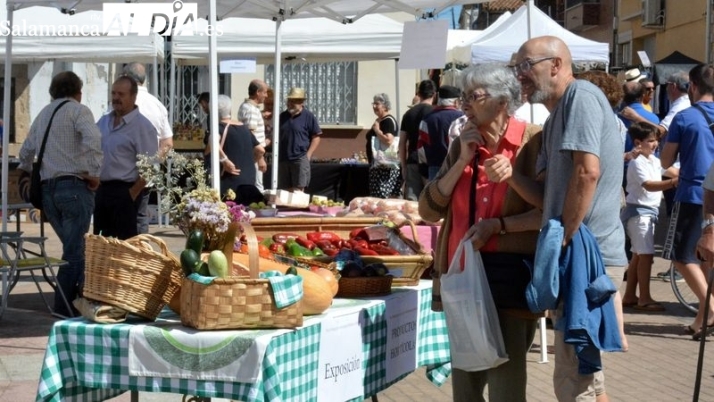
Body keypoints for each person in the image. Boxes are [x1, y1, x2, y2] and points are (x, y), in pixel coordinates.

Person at [419, 63, 543, 402]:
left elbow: (548, 212)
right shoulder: (463, 143)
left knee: (506, 386)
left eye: (474, 97)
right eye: (464, 98)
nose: (465, 106)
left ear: (502, 102)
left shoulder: (533, 142)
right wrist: (461, 160)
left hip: (509, 278)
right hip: (462, 278)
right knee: (466, 387)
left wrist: (500, 220)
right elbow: (428, 210)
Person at [514, 36, 627, 401]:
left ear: (557, 65)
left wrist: (564, 236)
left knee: (572, 376)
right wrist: (509, 177)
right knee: (586, 374)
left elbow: (587, 173)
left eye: (526, 66)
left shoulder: (581, 97)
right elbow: (546, 198)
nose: (520, 75)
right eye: (517, 67)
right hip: (577, 255)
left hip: (587, 257)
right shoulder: (552, 121)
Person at [18, 71, 103, 317]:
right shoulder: (79, 110)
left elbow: (25, 152)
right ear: (78, 91)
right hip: (73, 188)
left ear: (53, 91)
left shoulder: (43, 114)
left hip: (47, 193)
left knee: (73, 248)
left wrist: (25, 172)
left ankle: (79, 300)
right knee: (74, 252)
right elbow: (93, 139)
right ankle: (64, 307)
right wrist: (94, 173)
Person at [660, 63, 714, 339]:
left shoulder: (685, 117)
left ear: (692, 87)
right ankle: (701, 320)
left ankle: (710, 307)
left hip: (693, 193)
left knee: (681, 256)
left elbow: (666, 160)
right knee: (708, 258)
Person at [620, 122, 677, 312]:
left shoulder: (653, 160)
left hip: (649, 213)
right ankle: (644, 297)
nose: (655, 144)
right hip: (639, 214)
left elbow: (669, 170)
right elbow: (649, 185)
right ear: (638, 142)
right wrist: (673, 183)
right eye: (651, 141)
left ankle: (629, 295)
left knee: (638, 255)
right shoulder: (636, 163)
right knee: (646, 256)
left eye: (656, 140)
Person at [94, 76, 158, 240]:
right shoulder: (103, 121)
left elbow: (150, 168)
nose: (116, 98)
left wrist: (131, 194)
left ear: (133, 96)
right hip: (102, 191)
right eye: (113, 93)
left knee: (125, 246)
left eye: (121, 94)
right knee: (101, 243)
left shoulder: (142, 127)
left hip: (125, 192)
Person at [122, 62, 174, 235]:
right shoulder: (157, 105)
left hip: (121, 172)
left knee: (121, 217)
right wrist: (152, 163)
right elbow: (167, 143)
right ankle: (141, 253)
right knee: (140, 215)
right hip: (146, 174)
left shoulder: (121, 100)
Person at [205, 94, 266, 197]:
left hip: (229, 181)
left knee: (231, 211)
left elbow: (213, 141)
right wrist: (249, 162)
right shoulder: (244, 128)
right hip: (249, 180)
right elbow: (260, 150)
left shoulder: (219, 128)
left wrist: (224, 160)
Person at [277, 87, 322, 192]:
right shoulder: (282, 117)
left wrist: (308, 155)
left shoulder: (308, 116)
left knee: (298, 191)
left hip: (300, 158)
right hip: (283, 159)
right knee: (284, 191)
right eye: (289, 101)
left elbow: (316, 137)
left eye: (294, 101)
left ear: (302, 102)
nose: (291, 103)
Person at [399, 79, 435, 201]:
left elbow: (402, 143)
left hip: (412, 161)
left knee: (412, 202)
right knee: (431, 201)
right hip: (431, 162)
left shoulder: (408, 114)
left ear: (418, 94)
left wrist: (403, 165)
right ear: (434, 94)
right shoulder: (435, 113)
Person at [418, 85, 464, 180]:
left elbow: (421, 147)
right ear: (456, 102)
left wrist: (424, 165)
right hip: (457, 166)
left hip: (434, 167)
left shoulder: (427, 119)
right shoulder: (462, 118)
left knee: (434, 194)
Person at [366, 93, 400, 198]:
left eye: (377, 104)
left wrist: (376, 130)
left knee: (381, 199)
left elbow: (388, 140)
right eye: (373, 104)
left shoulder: (388, 121)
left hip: (384, 168)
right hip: (379, 166)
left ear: (385, 106)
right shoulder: (381, 120)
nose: (374, 106)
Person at [238, 79, 269, 190]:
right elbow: (251, 134)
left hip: (252, 152)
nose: (266, 95)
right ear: (258, 92)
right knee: (257, 186)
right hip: (255, 154)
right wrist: (260, 158)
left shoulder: (246, 106)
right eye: (264, 92)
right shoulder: (251, 109)